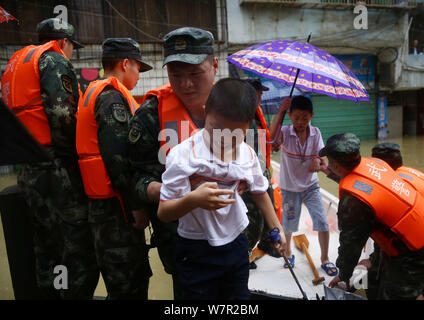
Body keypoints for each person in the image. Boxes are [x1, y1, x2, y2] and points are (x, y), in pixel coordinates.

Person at [157, 78, 287, 300]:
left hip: (236, 242)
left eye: (236, 136)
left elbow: (259, 191)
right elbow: (164, 212)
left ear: (249, 126)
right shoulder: (182, 156)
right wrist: (193, 200)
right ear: (205, 112)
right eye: (215, 129)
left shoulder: (248, 154)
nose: (224, 141)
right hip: (196, 248)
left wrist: (277, 228)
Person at [1, 18, 99, 299]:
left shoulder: (16, 64)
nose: (70, 53)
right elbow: (62, 115)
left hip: (28, 169)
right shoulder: (52, 59)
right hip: (57, 169)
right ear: (63, 42)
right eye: (72, 47)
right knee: (75, 245)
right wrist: (75, 157)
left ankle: (52, 293)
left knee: (46, 243)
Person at [127, 27, 217, 300]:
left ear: (214, 66)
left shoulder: (235, 105)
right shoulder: (151, 113)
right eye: (175, 75)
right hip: (181, 243)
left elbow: (259, 171)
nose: (185, 84)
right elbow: (134, 173)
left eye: (194, 74)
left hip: (232, 243)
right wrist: (155, 190)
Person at [76, 38, 153, 299]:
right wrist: (136, 206)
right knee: (128, 283)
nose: (138, 76)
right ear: (125, 63)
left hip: (105, 207)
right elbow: (117, 159)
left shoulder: (94, 90)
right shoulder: (112, 98)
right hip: (116, 210)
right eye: (137, 69)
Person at [320, 133, 424, 300]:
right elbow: (365, 188)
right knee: (373, 277)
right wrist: (373, 261)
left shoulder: (353, 202)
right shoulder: (376, 164)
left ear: (336, 165)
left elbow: (350, 244)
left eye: (330, 163)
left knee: (394, 295)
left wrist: (344, 274)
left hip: (413, 251)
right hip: (411, 233)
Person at [268, 96, 337, 276]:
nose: (300, 122)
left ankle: (324, 259)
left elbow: (321, 156)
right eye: (296, 117)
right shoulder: (284, 131)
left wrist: (317, 160)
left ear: (311, 116)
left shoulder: (316, 132)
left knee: (322, 221)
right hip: (289, 188)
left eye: (305, 118)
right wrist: (281, 110)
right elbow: (270, 139)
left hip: (311, 187)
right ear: (290, 116)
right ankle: (289, 253)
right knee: (289, 224)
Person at [242, 78, 282, 265]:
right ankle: (244, 256)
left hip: (263, 172)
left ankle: (267, 243)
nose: (261, 95)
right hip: (249, 178)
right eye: (259, 92)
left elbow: (268, 141)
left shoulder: (256, 114)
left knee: (270, 208)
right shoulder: (241, 117)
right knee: (252, 218)